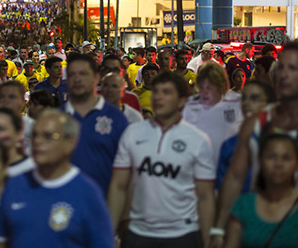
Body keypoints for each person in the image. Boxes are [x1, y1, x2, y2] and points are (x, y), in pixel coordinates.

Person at [108, 71, 216, 248]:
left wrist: (206, 240)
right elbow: (118, 186)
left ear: (182, 101)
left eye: (166, 92)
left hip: (183, 234)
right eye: (156, 92)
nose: (158, 97)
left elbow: (205, 197)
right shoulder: (132, 133)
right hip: (138, 233)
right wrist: (110, 233)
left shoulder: (198, 140)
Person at [211, 41, 298, 248]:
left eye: (293, 68)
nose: (284, 74)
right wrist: (218, 229)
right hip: (261, 224)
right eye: (281, 67)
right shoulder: (257, 122)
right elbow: (234, 177)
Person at [0, 110, 114, 248]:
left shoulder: (88, 193)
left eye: (48, 136)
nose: (38, 141)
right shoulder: (15, 184)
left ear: (70, 143)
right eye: (34, 135)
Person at [64, 53, 129, 195]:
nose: (77, 79)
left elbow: (126, 172)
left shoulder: (116, 118)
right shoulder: (58, 118)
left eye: (83, 74)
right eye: (72, 75)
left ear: (96, 77)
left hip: (105, 202)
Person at [223, 134, 298, 248]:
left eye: (286, 158)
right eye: (272, 157)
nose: (278, 164)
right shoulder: (243, 206)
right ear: (260, 160)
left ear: (295, 164)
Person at [216, 81, 275, 193]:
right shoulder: (229, 145)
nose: (246, 103)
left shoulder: (284, 142)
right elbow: (222, 189)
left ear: (269, 104)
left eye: (254, 98)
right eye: (244, 98)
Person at [182, 62, 243, 163]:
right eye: (202, 87)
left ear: (221, 85)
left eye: (209, 87)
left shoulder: (238, 103)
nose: (205, 92)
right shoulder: (189, 106)